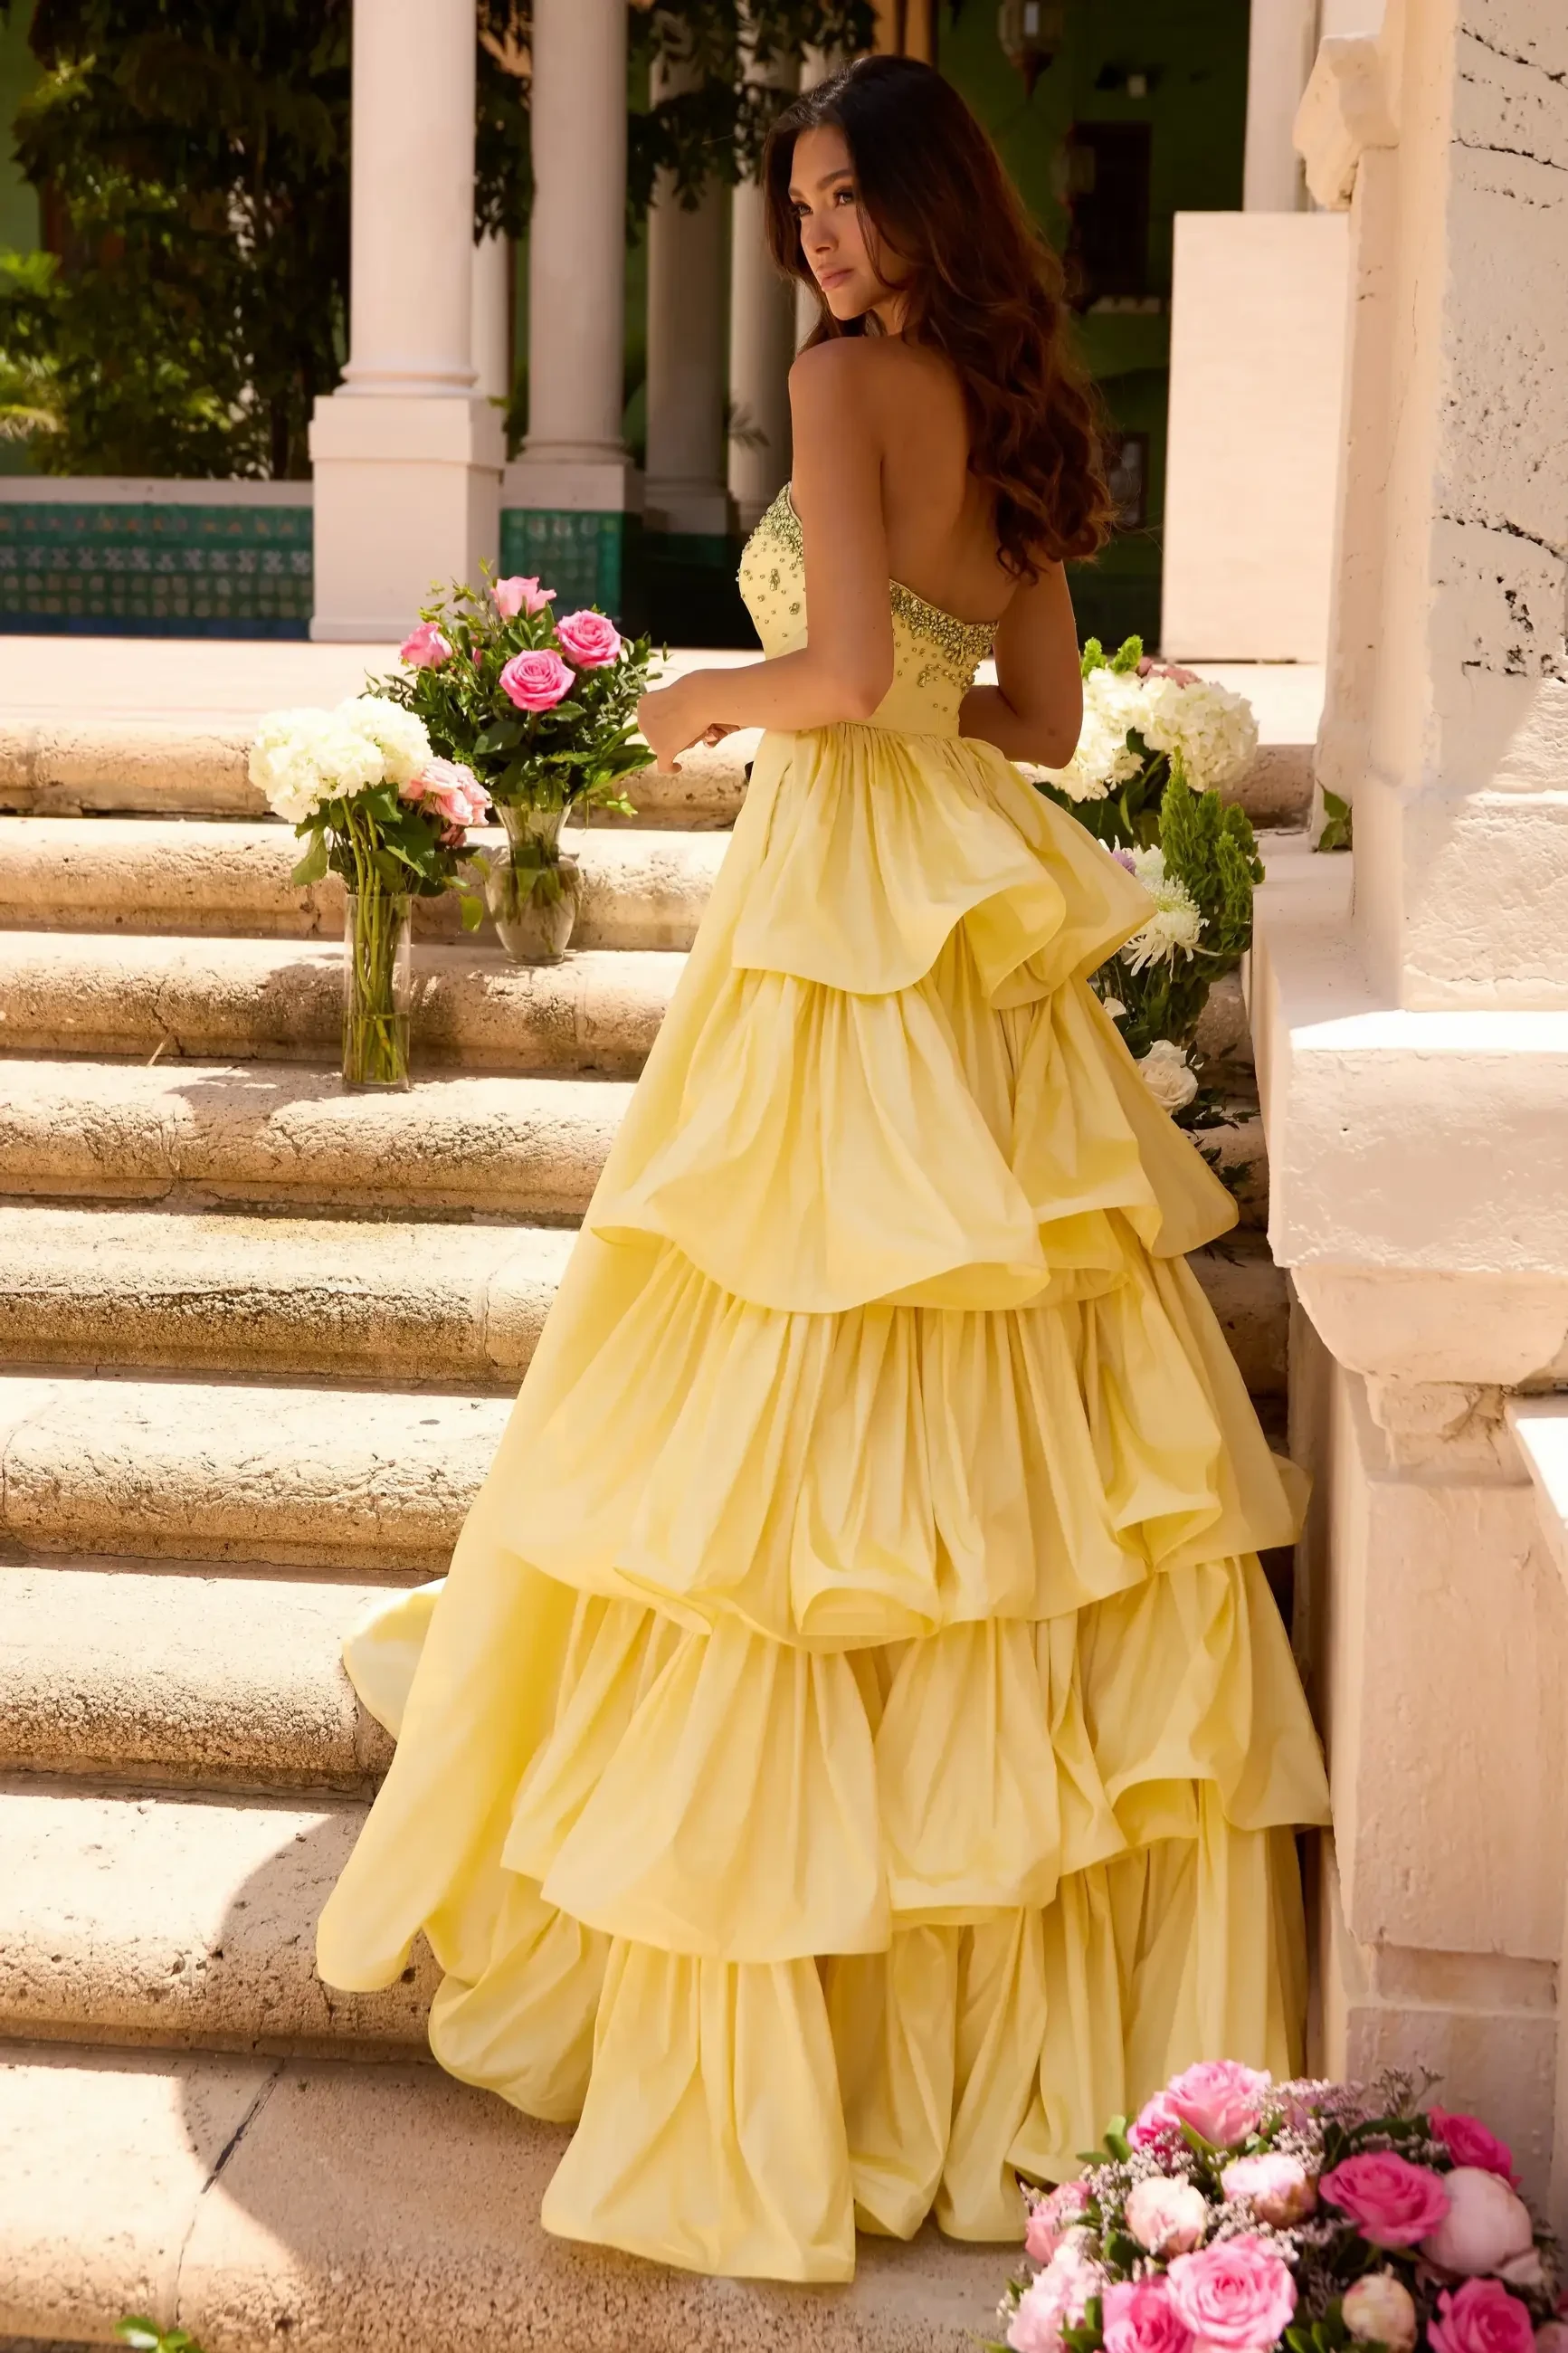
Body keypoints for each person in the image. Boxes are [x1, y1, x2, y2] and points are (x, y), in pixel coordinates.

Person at [317, 52, 1329, 2287]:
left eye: (846, 202)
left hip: (841, 889)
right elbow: (1039, 721)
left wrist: (699, 706)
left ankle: (817, 1971)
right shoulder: (1017, 395)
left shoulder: (847, 381)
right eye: (795, 210)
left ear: (922, 205)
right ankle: (992, 1992)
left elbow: (846, 662)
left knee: (806, 1333)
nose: (816, 242)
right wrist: (893, 713)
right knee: (983, 1355)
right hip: (954, 881)